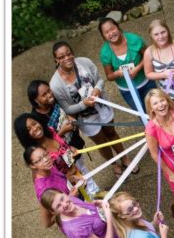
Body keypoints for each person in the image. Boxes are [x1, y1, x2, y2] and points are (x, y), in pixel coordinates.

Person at [49, 41, 137, 180]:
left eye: (68, 53)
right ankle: (114, 163)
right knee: (101, 142)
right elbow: (67, 108)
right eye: (61, 57)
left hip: (101, 106)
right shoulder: (55, 84)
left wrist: (97, 89)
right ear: (56, 59)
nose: (67, 58)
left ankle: (125, 158)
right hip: (85, 118)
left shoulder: (85, 62)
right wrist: (84, 104)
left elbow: (100, 81)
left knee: (111, 132)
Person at [24, 146, 110, 238]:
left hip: (77, 208)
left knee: (97, 236)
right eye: (39, 160)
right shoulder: (43, 190)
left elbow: (62, 180)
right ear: (32, 166)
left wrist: (72, 179)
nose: (46, 160)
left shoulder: (49, 167)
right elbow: (47, 223)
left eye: (46, 154)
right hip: (71, 221)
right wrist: (69, 197)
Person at [27, 79, 100, 197]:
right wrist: (62, 131)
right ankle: (92, 196)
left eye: (49, 91)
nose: (50, 95)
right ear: (35, 100)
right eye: (44, 95)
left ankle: (94, 193)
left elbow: (67, 111)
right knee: (78, 177)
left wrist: (71, 117)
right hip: (63, 157)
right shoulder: (36, 120)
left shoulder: (54, 101)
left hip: (74, 146)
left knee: (82, 170)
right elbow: (46, 142)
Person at [98, 17, 157, 113]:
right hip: (127, 91)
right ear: (103, 36)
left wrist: (137, 69)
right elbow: (109, 76)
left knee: (157, 109)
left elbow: (148, 57)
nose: (111, 33)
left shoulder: (134, 40)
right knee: (143, 115)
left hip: (146, 83)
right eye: (106, 32)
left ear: (118, 27)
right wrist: (117, 74)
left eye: (112, 29)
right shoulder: (105, 52)